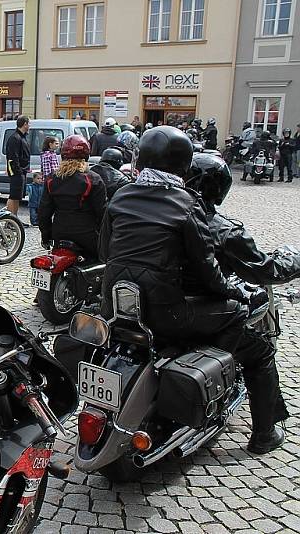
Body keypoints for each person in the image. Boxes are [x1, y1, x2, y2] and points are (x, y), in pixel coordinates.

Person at [99, 126, 268, 450]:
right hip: (166, 314)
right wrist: (237, 293)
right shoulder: (186, 203)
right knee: (240, 321)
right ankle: (261, 431)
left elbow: (105, 250)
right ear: (184, 165)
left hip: (115, 307)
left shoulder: (120, 195)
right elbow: (209, 273)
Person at [185, 153, 296, 453]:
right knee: (260, 353)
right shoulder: (222, 229)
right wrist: (295, 259)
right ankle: (264, 435)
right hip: (203, 313)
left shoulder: (166, 215)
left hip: (160, 306)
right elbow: (263, 269)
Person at [38, 135, 106, 257]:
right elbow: (102, 212)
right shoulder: (93, 179)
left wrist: (46, 236)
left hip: (59, 234)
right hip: (86, 235)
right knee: (103, 262)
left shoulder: (51, 179)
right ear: (86, 155)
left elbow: (44, 211)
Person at [5, 116, 31, 217]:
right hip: (17, 172)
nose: (30, 126)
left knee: (17, 197)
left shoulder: (22, 137)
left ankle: (14, 218)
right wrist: (18, 171)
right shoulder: (15, 138)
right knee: (13, 196)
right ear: (25, 124)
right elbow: (12, 157)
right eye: (29, 123)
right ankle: (10, 219)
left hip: (22, 171)